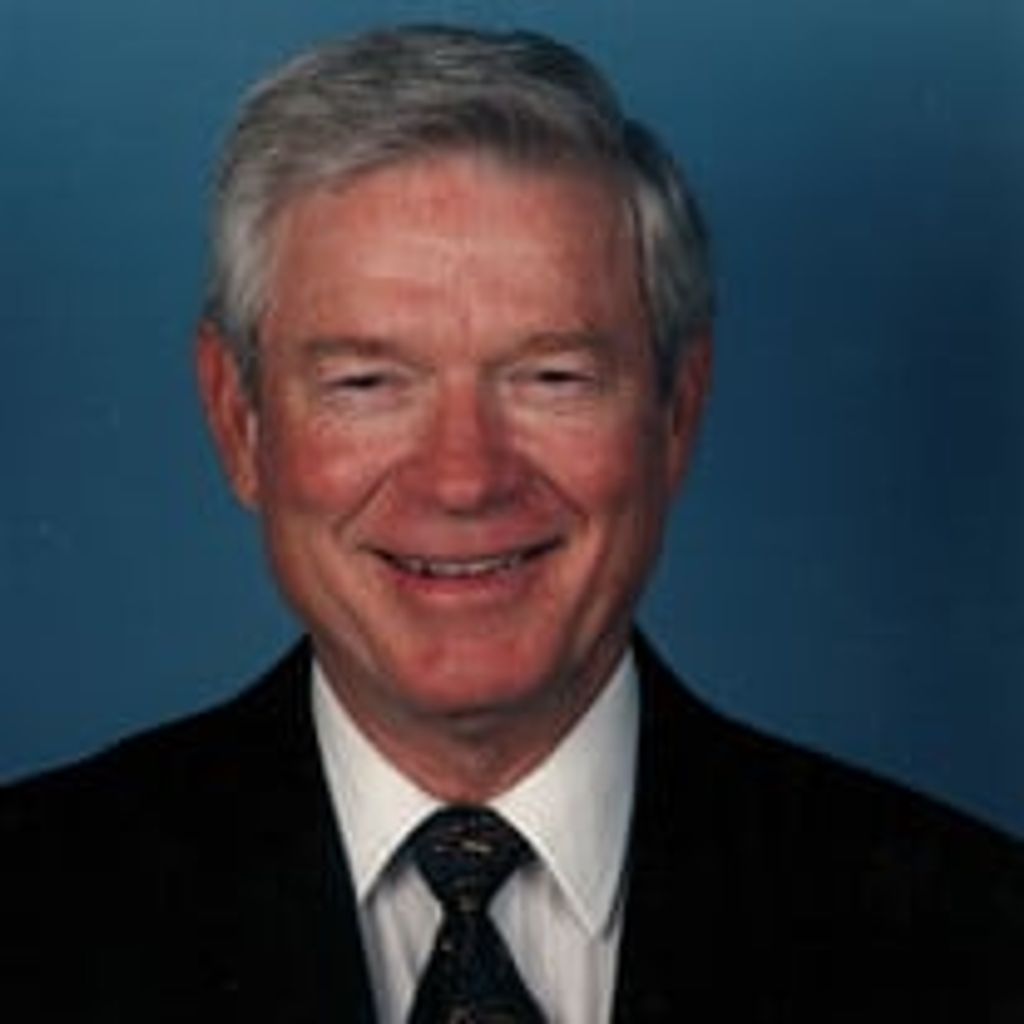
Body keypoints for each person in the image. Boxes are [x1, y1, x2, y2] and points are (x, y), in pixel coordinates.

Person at [3, 24, 1022, 1023]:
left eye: (552, 377)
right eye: (367, 383)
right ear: (239, 421)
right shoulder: (32, 911)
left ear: (677, 411)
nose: (464, 479)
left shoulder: (974, 935)